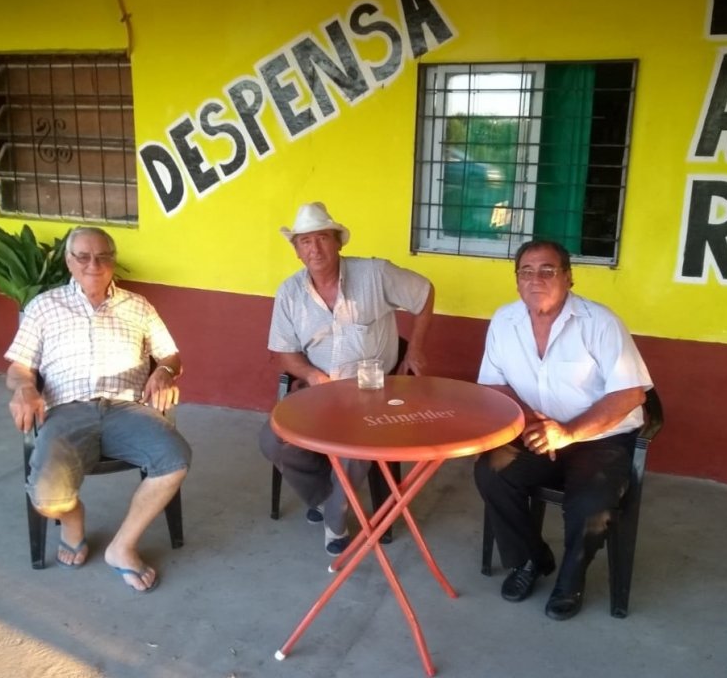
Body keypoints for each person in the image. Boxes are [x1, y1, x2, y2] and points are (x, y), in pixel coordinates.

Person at [5, 226, 191, 593]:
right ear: (68, 261)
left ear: (113, 261)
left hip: (126, 407)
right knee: (47, 500)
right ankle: (73, 518)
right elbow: (19, 365)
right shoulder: (44, 306)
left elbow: (171, 354)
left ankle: (122, 547)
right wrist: (25, 387)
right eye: (84, 256)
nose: (94, 264)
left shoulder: (138, 306)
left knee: (175, 458)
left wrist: (165, 372)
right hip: (66, 410)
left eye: (103, 256)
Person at [473, 239, 652, 620]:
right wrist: (527, 417)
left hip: (596, 437)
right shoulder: (504, 321)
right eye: (526, 271)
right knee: (491, 471)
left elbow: (631, 393)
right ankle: (530, 559)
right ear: (517, 280)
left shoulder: (600, 323)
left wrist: (568, 432)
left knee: (591, 504)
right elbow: (493, 384)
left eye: (547, 270)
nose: (535, 278)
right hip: (535, 430)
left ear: (569, 278)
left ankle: (571, 578)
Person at [259, 201, 434, 555]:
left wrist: (414, 349)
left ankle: (335, 522)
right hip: (319, 389)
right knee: (273, 439)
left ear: (338, 242)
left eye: (322, 238)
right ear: (296, 251)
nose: (315, 248)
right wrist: (309, 373)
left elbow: (425, 292)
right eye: (305, 242)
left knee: (356, 443)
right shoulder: (289, 292)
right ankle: (325, 498)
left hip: (372, 387)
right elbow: (284, 352)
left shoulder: (375, 274)